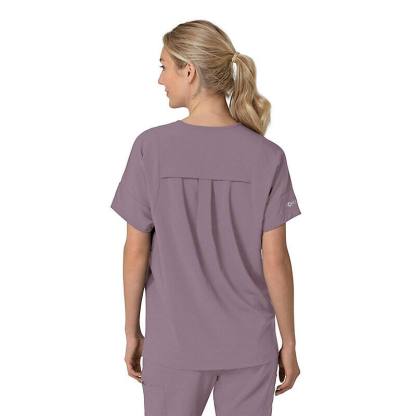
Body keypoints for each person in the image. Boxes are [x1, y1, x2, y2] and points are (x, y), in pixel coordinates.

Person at [110, 19, 301, 416]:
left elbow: (135, 252)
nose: (160, 79)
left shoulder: (150, 148)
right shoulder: (268, 156)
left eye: (164, 66)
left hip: (173, 345)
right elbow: (275, 260)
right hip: (249, 346)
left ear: (189, 71)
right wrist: (289, 342)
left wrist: (132, 331)